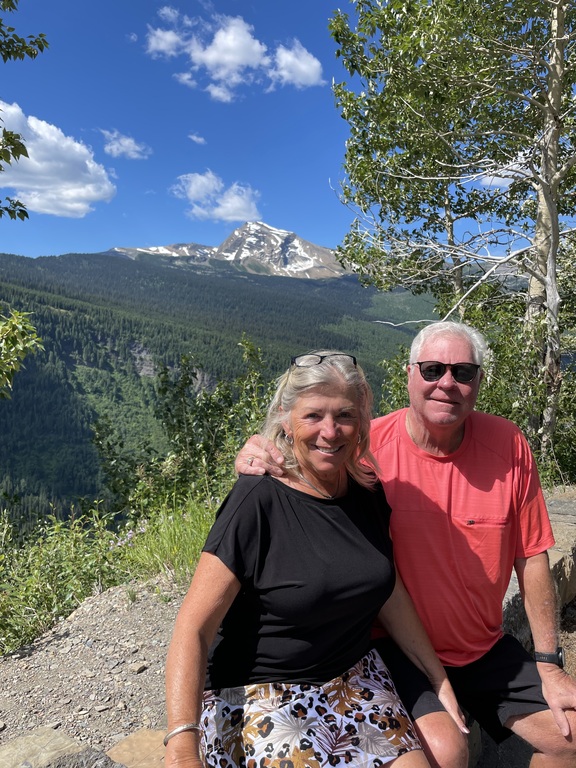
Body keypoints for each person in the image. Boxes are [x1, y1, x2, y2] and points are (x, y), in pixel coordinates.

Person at [236, 322, 576, 768]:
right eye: (433, 369)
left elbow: (531, 554)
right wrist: (262, 448)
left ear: (479, 382)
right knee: (442, 754)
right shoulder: (363, 448)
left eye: (463, 372)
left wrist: (548, 662)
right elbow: (308, 456)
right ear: (410, 375)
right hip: (392, 650)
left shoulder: (509, 445)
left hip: (482, 647)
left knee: (570, 737)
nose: (447, 383)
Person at [165, 350, 467, 768]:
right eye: (313, 416)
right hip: (263, 694)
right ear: (285, 420)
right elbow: (193, 627)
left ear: (362, 420)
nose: (330, 431)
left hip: (354, 679)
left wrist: (438, 678)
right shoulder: (258, 498)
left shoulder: (366, 491)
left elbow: (388, 589)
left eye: (344, 415)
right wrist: (182, 745)